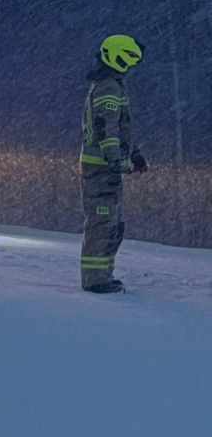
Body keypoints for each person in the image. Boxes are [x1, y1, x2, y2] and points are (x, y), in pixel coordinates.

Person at [79, 34, 148, 293]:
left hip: (106, 167)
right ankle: (95, 280)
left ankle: (103, 274)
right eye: (129, 58)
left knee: (113, 224)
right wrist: (116, 161)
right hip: (101, 168)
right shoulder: (108, 87)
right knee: (102, 221)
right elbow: (107, 129)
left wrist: (134, 153)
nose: (131, 65)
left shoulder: (113, 85)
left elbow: (121, 128)